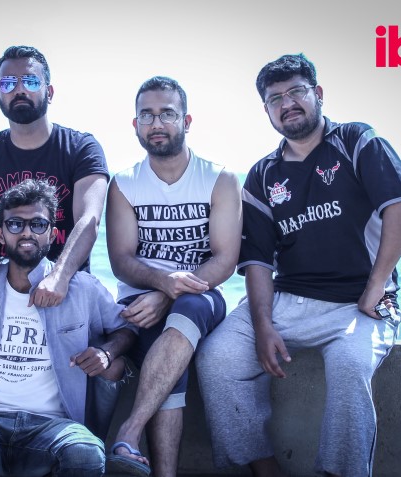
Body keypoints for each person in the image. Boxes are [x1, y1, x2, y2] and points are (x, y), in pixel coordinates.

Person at [196, 54, 401, 477]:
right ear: (266, 110)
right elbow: (257, 261)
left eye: (296, 91)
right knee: (217, 357)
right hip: (288, 301)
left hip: (359, 304)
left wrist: (376, 286)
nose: (287, 104)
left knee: (350, 365)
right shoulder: (263, 174)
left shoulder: (356, 140)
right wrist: (263, 325)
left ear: (317, 94)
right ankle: (263, 467)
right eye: (275, 98)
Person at [0, 179, 134, 477]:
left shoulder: (83, 289)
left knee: (86, 455)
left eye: (38, 224)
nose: (27, 232)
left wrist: (106, 353)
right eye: (15, 224)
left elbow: (126, 328)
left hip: (52, 426)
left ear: (52, 234)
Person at [104, 76, 243, 477]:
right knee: (165, 360)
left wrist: (169, 292)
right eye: (147, 115)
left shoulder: (219, 179)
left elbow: (225, 260)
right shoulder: (125, 184)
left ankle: (129, 431)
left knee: (189, 307)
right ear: (135, 125)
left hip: (202, 294)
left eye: (167, 113)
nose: (157, 123)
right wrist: (161, 284)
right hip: (140, 297)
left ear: (186, 121)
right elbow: (121, 261)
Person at [0, 45, 109, 309]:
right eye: (8, 83)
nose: (19, 90)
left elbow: (89, 220)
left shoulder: (81, 149)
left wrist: (59, 276)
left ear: (49, 92)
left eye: (31, 81)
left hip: (66, 288)